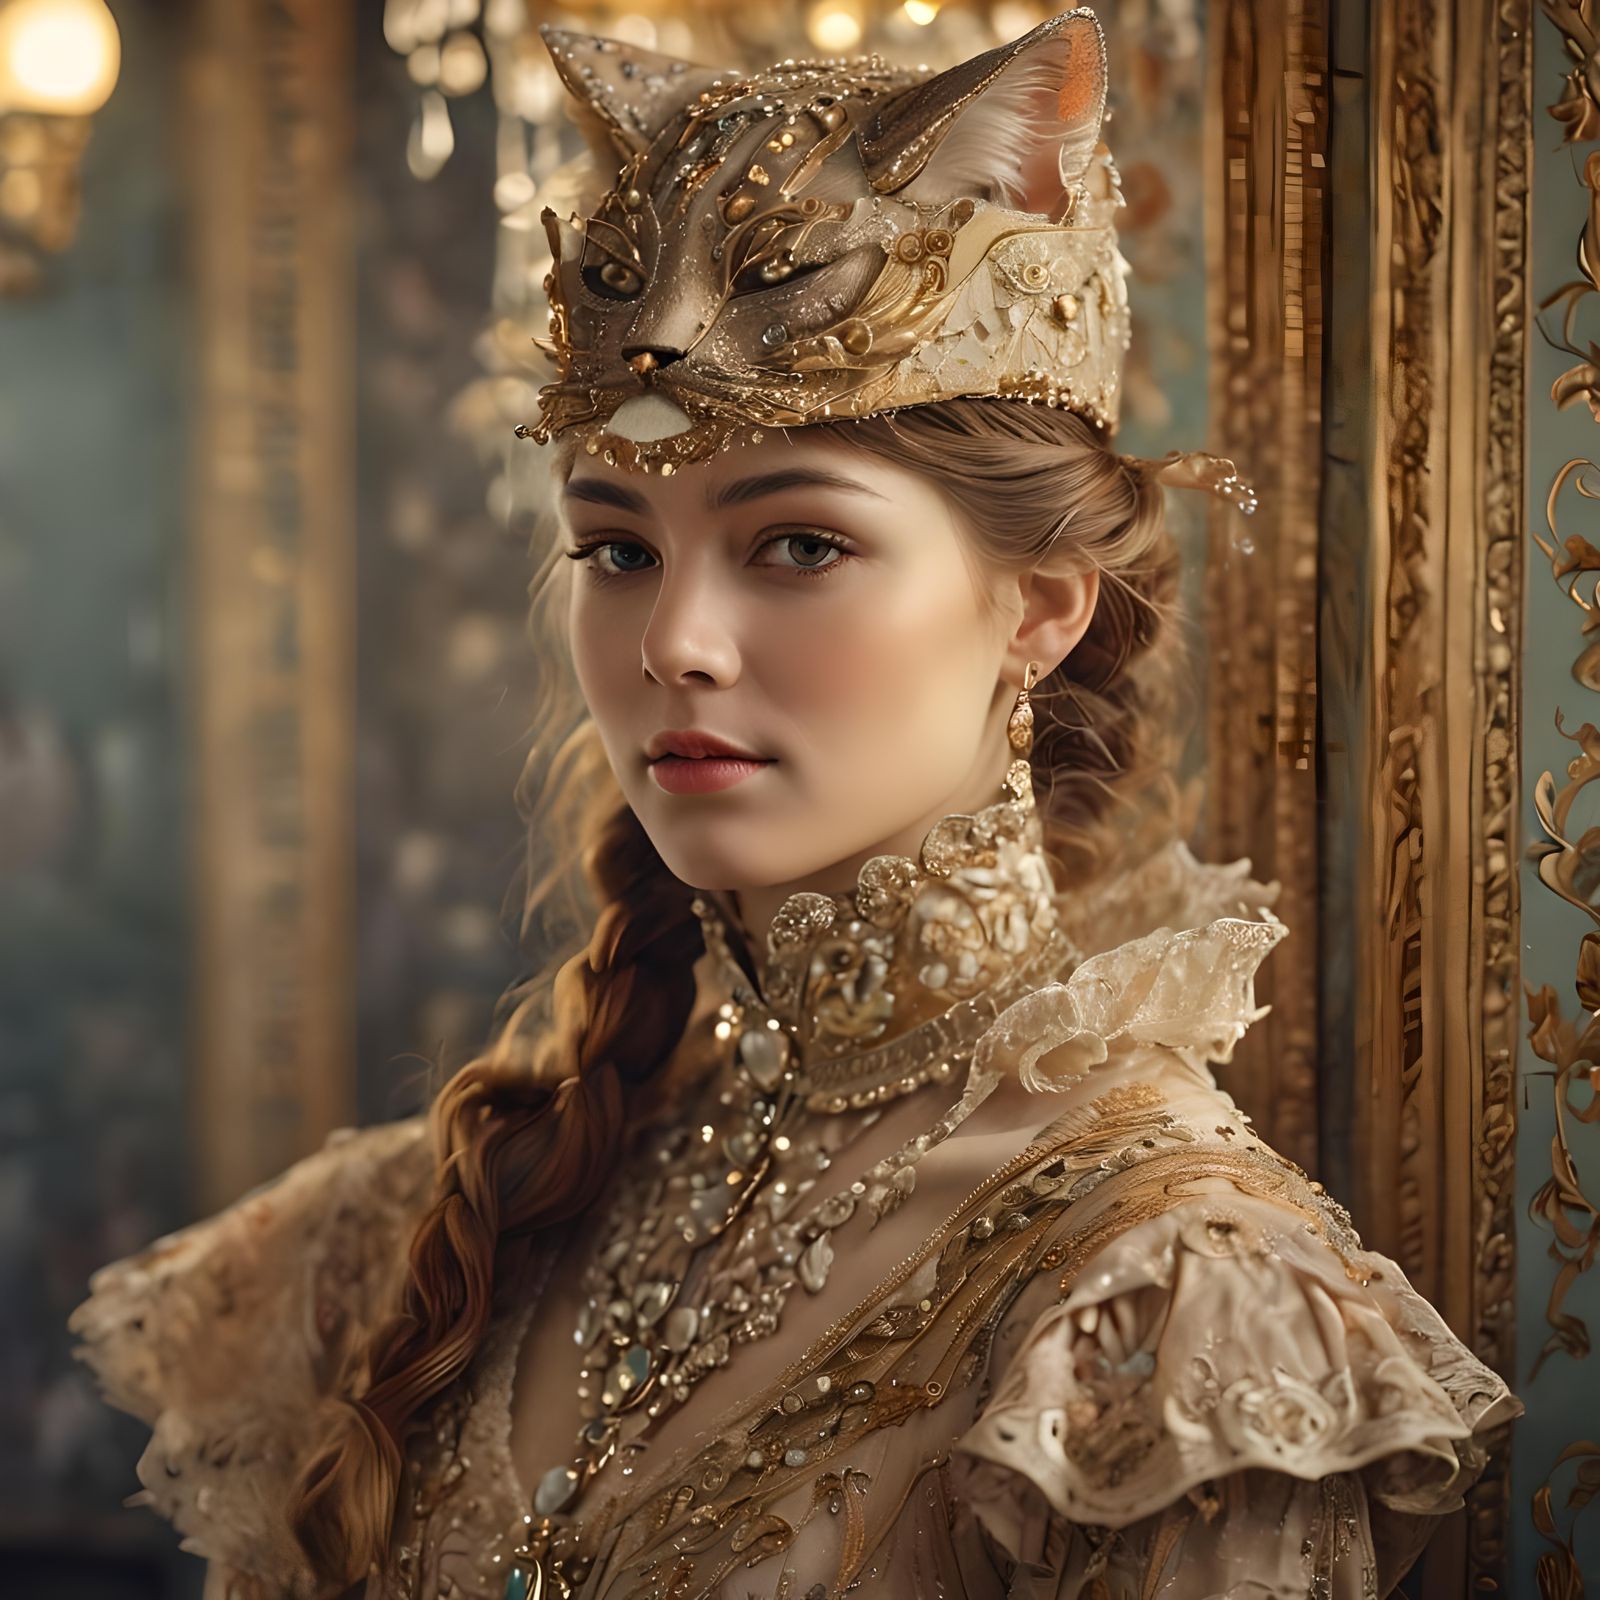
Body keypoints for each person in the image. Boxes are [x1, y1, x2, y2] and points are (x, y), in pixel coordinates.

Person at [69, 10, 1519, 1598]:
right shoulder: (460, 1209)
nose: (675, 644)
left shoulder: (1165, 1299)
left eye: (799, 546)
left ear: (1039, 610)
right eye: (619, 549)